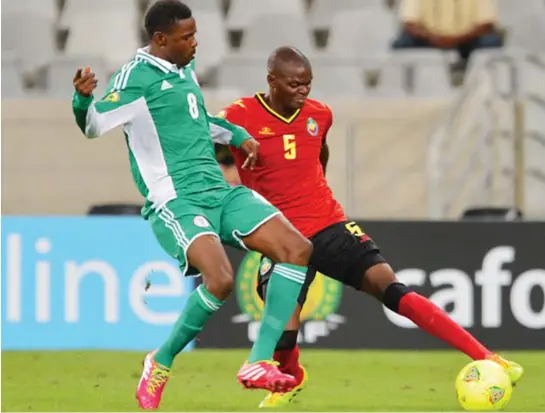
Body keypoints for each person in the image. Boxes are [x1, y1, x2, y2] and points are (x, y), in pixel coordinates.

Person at [219, 46, 524, 408]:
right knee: (284, 334)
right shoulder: (240, 115)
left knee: (391, 288)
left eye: (308, 84)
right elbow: (200, 133)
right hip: (281, 238)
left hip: (329, 224)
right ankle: (293, 378)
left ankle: (487, 357)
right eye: (295, 84)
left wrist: (317, 190)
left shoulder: (320, 115)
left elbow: (320, 152)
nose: (304, 91)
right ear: (272, 81)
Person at [71, 1, 313, 409]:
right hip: (175, 198)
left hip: (216, 190)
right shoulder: (136, 77)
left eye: (195, 34)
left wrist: (238, 136)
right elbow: (95, 125)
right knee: (218, 279)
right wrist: (82, 102)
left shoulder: (183, 70)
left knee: (297, 248)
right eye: (187, 38)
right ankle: (161, 360)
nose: (195, 43)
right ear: (161, 40)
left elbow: (198, 122)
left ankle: (257, 361)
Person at [392, 0, 503, 67]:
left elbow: (487, 23)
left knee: (491, 41)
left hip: (467, 40)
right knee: (402, 43)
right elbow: (409, 23)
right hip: (430, 40)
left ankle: (475, 78)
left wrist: (460, 38)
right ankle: (408, 88)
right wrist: (432, 37)